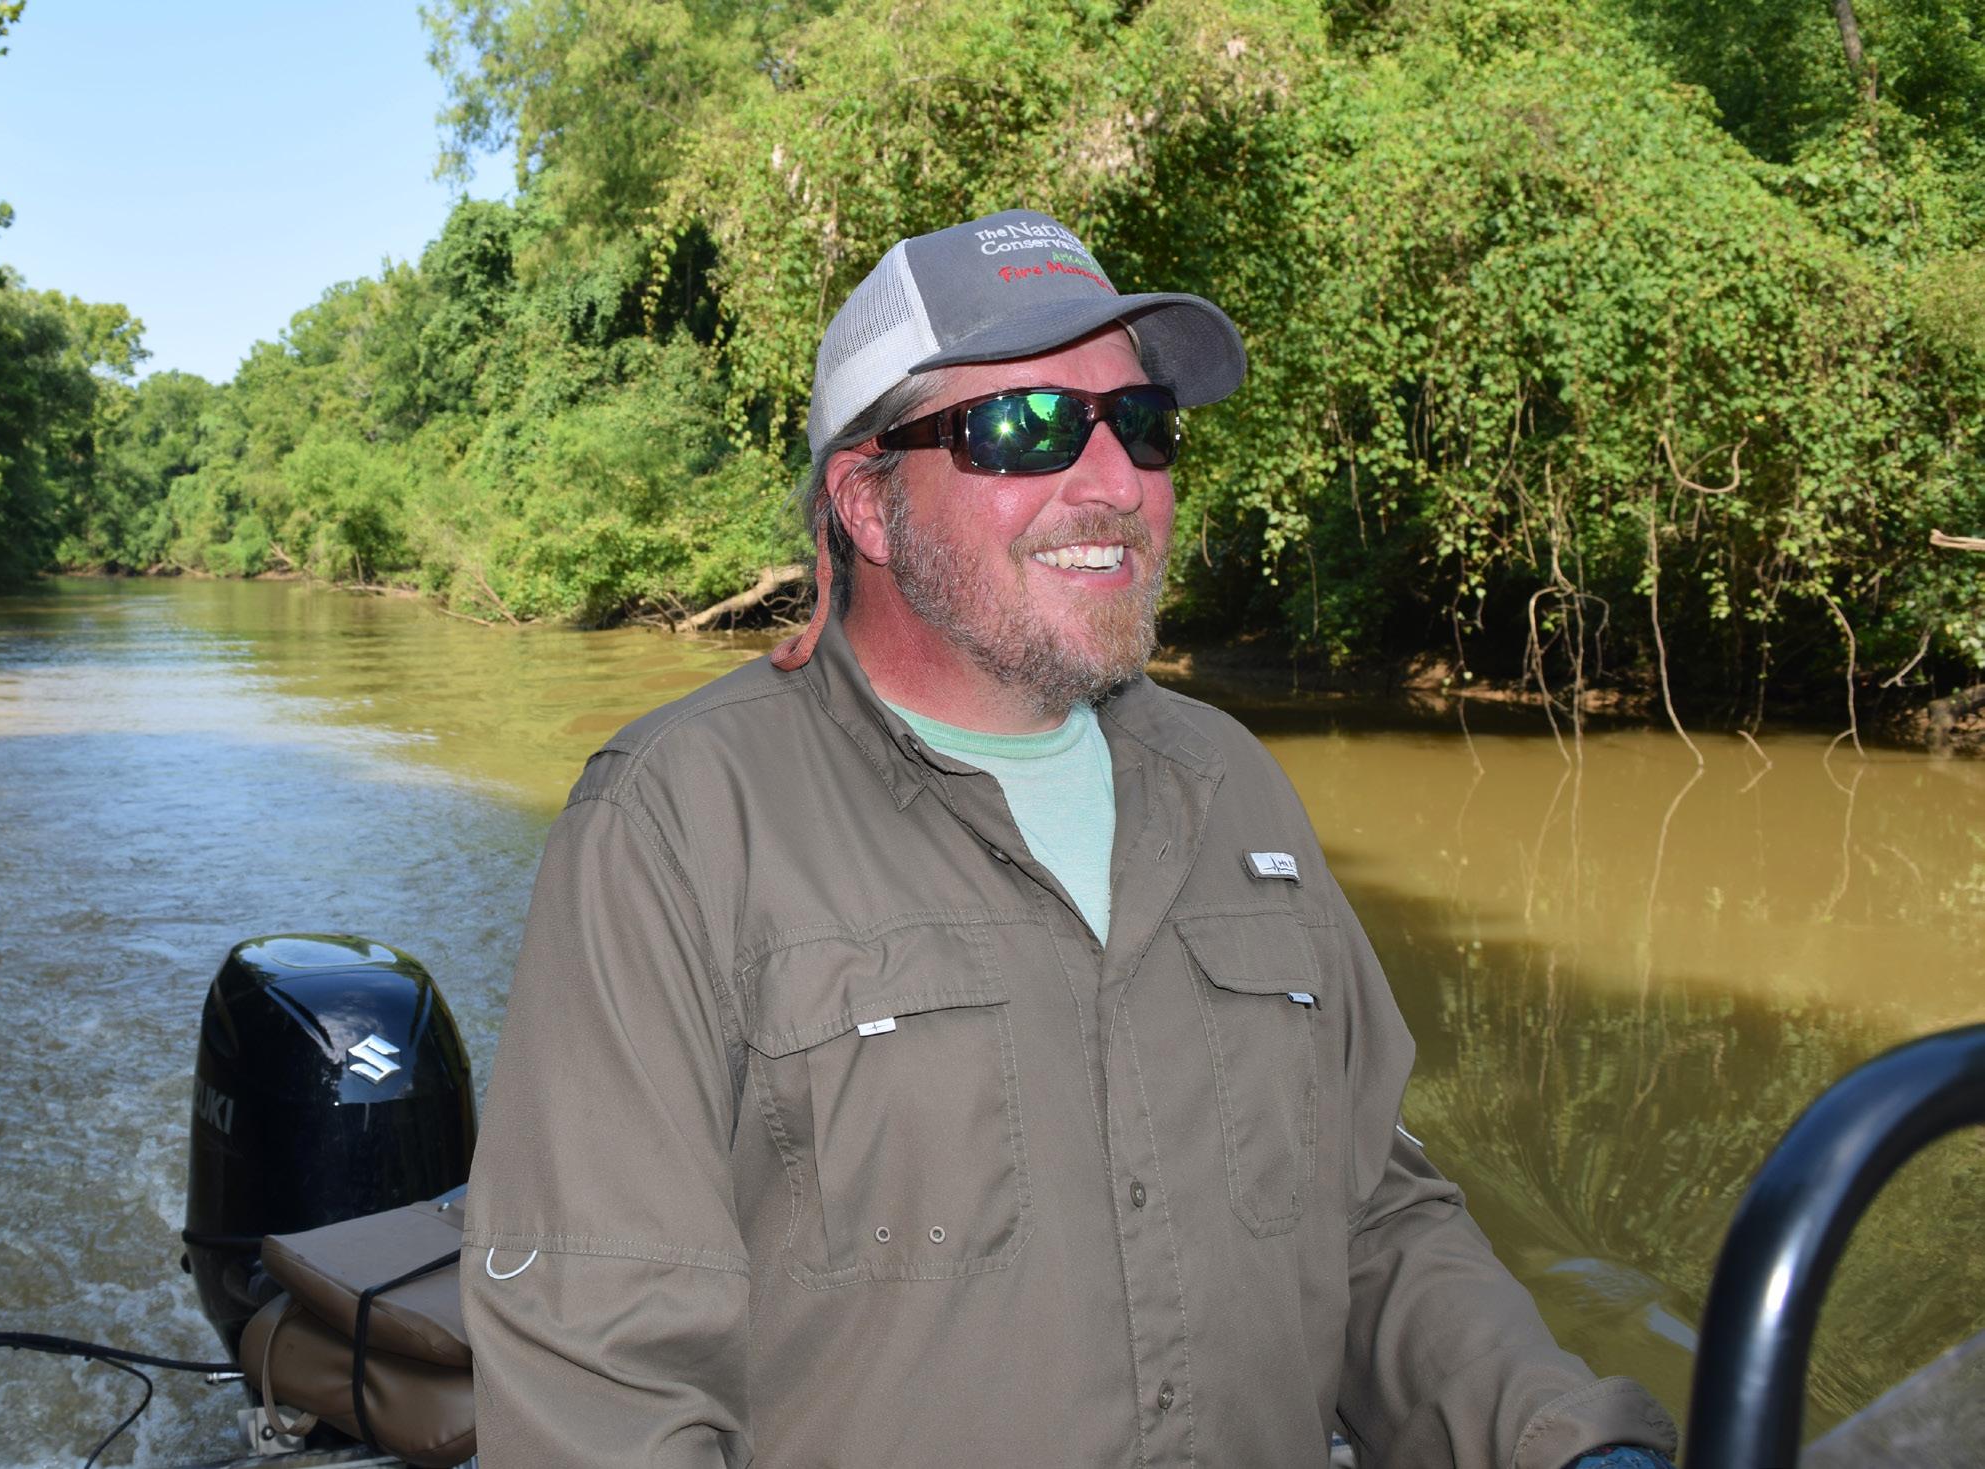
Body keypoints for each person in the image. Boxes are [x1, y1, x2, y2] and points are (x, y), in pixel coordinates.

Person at [461, 208, 1680, 1469]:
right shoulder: (670, 825)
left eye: (1140, 424)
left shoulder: (1235, 788)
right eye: (1026, 427)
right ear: (868, 502)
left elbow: (1372, 1216)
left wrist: (1556, 1437)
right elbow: (602, 1391)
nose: (1115, 484)